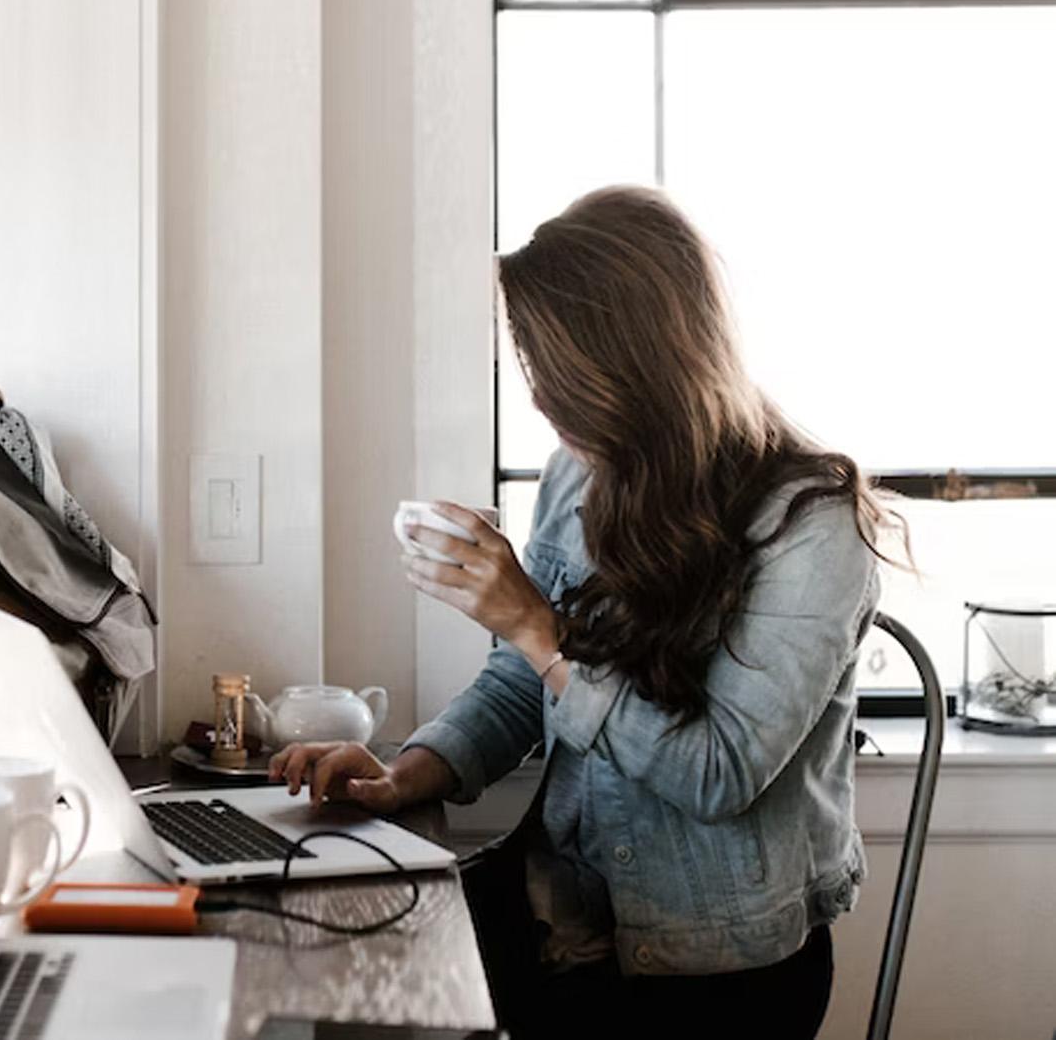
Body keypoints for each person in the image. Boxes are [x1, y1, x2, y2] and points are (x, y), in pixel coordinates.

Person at [269, 186, 908, 1038]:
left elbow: (715, 775)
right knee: (325, 973)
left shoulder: (813, 526)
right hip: (562, 909)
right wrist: (403, 776)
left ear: (639, 364)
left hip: (713, 966)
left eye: (555, 375)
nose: (540, 401)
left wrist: (538, 626)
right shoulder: (581, 473)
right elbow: (520, 684)